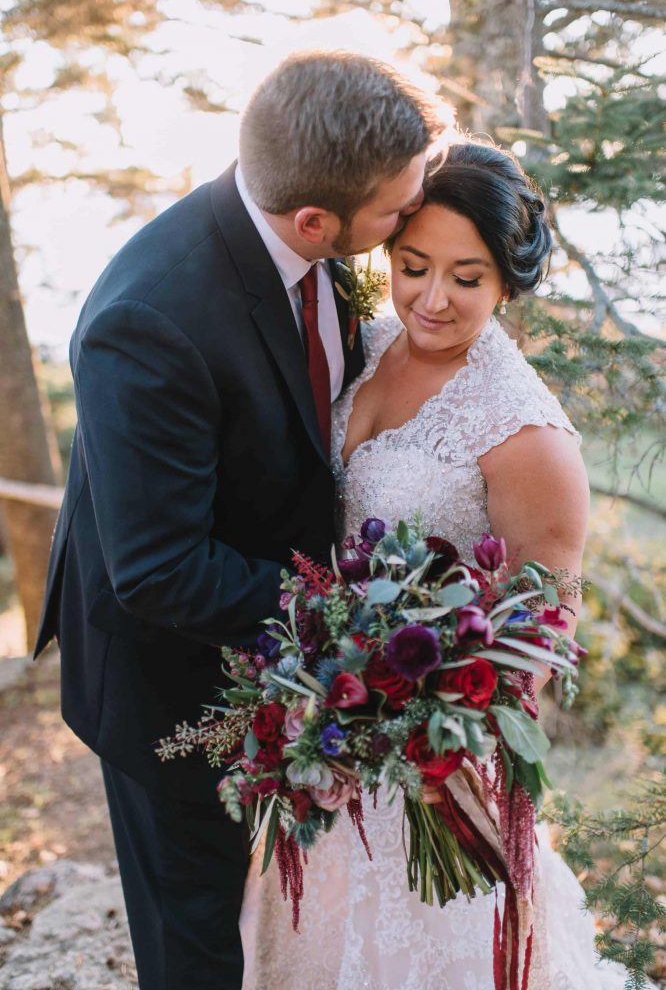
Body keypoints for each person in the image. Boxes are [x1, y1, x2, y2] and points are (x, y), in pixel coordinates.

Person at [33, 50, 442, 990]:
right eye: (397, 211)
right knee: (199, 939)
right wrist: (359, 618)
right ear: (315, 220)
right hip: (167, 681)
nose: (408, 221)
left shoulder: (307, 238)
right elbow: (160, 570)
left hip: (277, 654)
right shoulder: (151, 319)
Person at [239, 142, 633, 989]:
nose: (432, 298)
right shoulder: (365, 343)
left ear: (507, 284)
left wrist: (421, 713)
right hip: (328, 733)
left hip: (433, 779)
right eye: (414, 266)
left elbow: (544, 632)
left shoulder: (526, 434)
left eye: (468, 277)